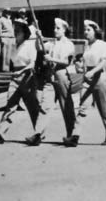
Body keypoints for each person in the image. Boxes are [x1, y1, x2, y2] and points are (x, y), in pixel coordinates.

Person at [0, 18, 41, 145]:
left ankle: (38, 134)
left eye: (18, 29)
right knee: (10, 106)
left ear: (24, 32)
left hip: (27, 78)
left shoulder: (30, 45)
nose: (16, 32)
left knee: (33, 108)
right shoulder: (14, 46)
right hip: (15, 78)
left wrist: (21, 72)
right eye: (15, 29)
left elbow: (32, 63)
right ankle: (0, 133)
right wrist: (16, 73)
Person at [64, 19, 106, 147]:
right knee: (82, 108)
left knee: (105, 110)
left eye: (88, 30)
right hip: (87, 79)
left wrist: (92, 73)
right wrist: (84, 71)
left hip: (100, 78)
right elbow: (85, 62)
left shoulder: (104, 44)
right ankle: (75, 137)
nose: (85, 32)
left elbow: (104, 62)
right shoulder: (87, 45)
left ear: (95, 31)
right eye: (85, 30)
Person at [32, 17, 76, 145]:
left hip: (62, 75)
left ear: (64, 30)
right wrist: (37, 35)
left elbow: (67, 61)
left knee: (66, 107)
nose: (55, 30)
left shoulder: (69, 44)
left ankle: (71, 136)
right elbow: (39, 48)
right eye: (54, 28)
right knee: (45, 106)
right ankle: (37, 134)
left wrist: (51, 58)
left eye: (58, 28)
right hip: (50, 76)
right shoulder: (52, 43)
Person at [0, 8, 14, 72]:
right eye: (7, 12)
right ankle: (3, 68)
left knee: (9, 54)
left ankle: (7, 68)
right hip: (4, 37)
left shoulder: (10, 20)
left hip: (10, 37)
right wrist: (1, 38)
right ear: (4, 12)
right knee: (4, 53)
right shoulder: (1, 19)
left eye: (9, 12)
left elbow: (11, 29)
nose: (8, 13)